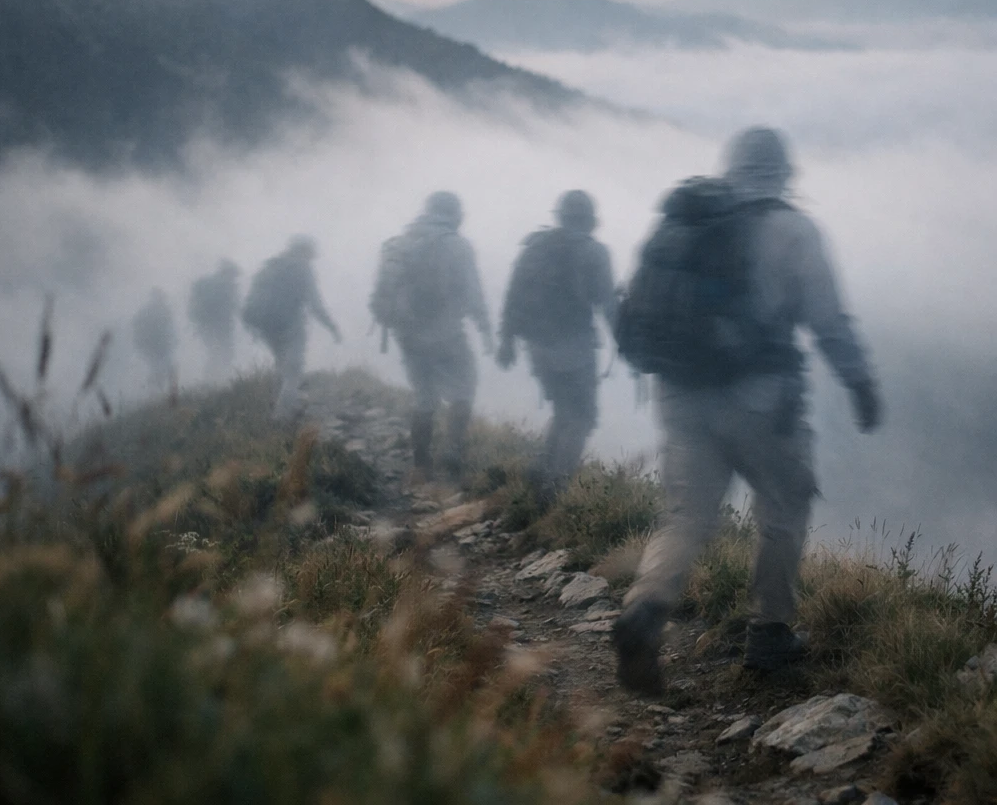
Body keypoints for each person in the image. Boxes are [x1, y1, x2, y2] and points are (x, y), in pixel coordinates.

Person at [613, 127, 882, 695]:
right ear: (783, 172)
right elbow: (828, 322)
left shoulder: (686, 219)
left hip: (680, 392)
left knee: (686, 517)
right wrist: (860, 383)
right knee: (784, 502)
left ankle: (645, 607)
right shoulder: (794, 229)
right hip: (760, 398)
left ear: (730, 165)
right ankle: (770, 634)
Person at [496, 190, 618, 501]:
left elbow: (513, 293)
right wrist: (627, 340)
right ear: (590, 220)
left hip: (536, 344)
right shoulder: (594, 252)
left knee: (564, 411)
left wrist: (506, 340)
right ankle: (554, 490)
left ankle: (540, 475)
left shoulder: (535, 246)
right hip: (574, 346)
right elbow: (606, 303)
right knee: (581, 417)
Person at [370, 191, 492, 478]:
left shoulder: (400, 243)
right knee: (464, 387)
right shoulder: (458, 245)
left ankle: (421, 463)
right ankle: (452, 451)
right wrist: (486, 329)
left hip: (407, 333)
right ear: (454, 213)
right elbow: (473, 292)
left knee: (424, 397)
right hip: (446, 332)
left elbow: (386, 290)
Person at [242, 236, 341, 419]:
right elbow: (315, 304)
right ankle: (282, 417)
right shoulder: (302, 269)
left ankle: (276, 405)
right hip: (291, 325)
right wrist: (332, 327)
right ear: (306, 251)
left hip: (267, 326)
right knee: (293, 370)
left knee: (280, 363)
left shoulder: (273, 266)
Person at [187, 259, 241, 383]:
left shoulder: (216, 286)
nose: (234, 279)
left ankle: (214, 380)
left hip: (210, 329)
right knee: (222, 353)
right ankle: (216, 381)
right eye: (232, 275)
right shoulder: (224, 287)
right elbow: (231, 308)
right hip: (220, 328)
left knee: (215, 353)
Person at [131, 287, 177, 393]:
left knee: (162, 368)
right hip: (155, 347)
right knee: (158, 368)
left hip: (161, 346)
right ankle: (156, 390)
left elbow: (170, 328)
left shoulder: (163, 311)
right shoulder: (152, 312)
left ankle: (158, 390)